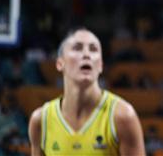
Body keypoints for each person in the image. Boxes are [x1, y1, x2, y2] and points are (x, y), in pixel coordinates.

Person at [27, 28, 144, 156]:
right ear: (60, 63)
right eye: (77, 48)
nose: (86, 54)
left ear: (100, 65)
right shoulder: (41, 120)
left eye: (93, 49)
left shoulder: (123, 117)